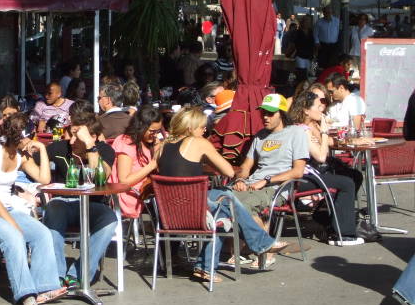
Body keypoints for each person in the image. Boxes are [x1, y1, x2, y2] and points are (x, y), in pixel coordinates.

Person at [154, 108, 286, 281]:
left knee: (223, 208)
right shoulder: (199, 142)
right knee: (227, 199)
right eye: (202, 127)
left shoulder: (162, 146)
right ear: (190, 128)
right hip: (195, 213)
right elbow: (228, 171)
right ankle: (259, 244)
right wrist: (206, 157)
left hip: (169, 213)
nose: (205, 131)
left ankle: (207, 267)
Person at [0, 113, 66, 305]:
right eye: (30, 137)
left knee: (41, 234)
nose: (32, 141)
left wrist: (43, 150)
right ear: (19, 137)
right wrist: (13, 225)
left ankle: (45, 287)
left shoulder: (20, 154)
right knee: (13, 237)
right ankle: (26, 293)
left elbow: (44, 179)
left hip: (7, 206)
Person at [42, 102, 119, 288]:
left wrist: (91, 148)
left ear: (92, 137)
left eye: (77, 136)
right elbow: (27, 160)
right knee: (54, 207)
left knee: (110, 218)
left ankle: (78, 274)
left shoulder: (104, 150)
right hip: (64, 203)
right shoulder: (60, 148)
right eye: (72, 134)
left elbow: (102, 177)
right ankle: (56, 276)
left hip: (93, 205)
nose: (71, 141)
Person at [288, 91, 372, 245]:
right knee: (347, 182)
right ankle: (342, 233)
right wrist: (325, 132)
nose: (322, 109)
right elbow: (321, 156)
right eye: (318, 106)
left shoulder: (301, 126)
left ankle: (331, 217)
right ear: (306, 110)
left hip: (305, 172)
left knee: (351, 176)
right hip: (301, 177)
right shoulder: (303, 129)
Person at [231, 94, 308, 230]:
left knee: (241, 205)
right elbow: (246, 166)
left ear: (282, 114)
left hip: (276, 188)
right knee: (219, 198)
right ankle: (234, 248)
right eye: (263, 113)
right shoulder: (260, 135)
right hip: (252, 184)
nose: (265, 117)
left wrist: (266, 180)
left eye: (271, 113)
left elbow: (298, 172)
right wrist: (240, 180)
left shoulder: (296, 133)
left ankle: (263, 244)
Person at [111, 105, 164, 219]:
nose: (155, 135)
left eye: (158, 131)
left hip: (148, 192)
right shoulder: (126, 142)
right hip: (130, 194)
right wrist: (152, 165)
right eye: (152, 131)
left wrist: (158, 147)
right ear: (141, 127)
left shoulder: (151, 142)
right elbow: (124, 180)